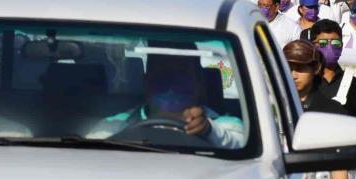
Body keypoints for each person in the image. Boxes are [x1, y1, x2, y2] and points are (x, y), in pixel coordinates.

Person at [89, 54, 246, 149]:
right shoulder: (114, 125)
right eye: (163, 73)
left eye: (181, 74)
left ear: (199, 82)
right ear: (146, 82)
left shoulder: (226, 125)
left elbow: (242, 146)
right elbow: (90, 154)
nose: (171, 83)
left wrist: (208, 130)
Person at [283, 40, 354, 179]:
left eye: (300, 68)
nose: (293, 74)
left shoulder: (332, 111)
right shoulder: (264, 106)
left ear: (315, 68)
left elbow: (338, 167)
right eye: (288, 67)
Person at [308, 20, 356, 149]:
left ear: (342, 46)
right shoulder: (303, 80)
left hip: (343, 157)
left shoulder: (355, 85)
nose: (330, 47)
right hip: (308, 154)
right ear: (313, 46)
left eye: (335, 43)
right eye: (323, 43)